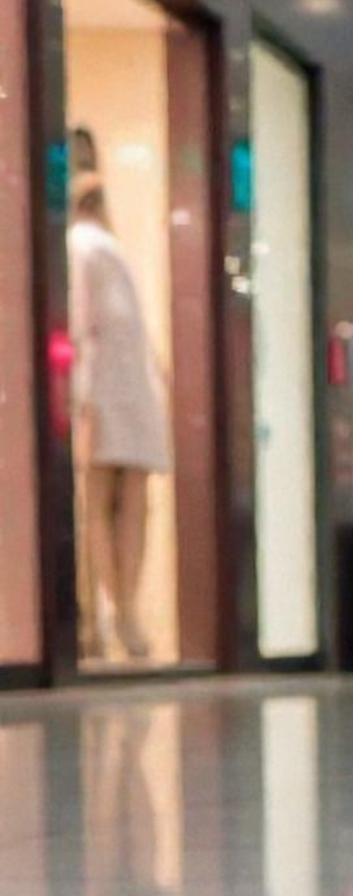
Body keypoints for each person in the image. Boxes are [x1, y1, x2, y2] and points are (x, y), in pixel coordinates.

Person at [67, 174, 172, 661]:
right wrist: (84, 395)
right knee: (110, 499)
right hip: (107, 385)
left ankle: (122, 608)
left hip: (123, 384)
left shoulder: (98, 247)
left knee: (123, 499)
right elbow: (80, 323)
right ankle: (117, 610)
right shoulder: (85, 246)